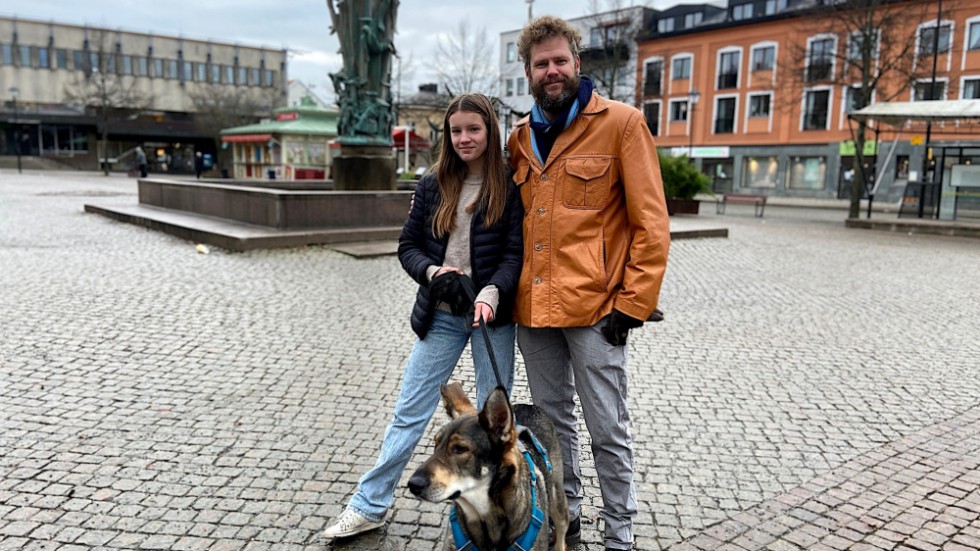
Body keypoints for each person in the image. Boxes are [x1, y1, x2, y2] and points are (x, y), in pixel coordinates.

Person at [322, 93, 524, 540]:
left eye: (473, 129)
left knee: (498, 428)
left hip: (492, 319)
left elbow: (514, 255)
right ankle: (369, 504)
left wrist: (491, 292)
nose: (464, 138)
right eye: (456, 131)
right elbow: (407, 247)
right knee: (408, 413)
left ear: (489, 131)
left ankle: (500, 516)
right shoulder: (433, 183)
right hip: (443, 315)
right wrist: (434, 273)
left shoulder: (510, 186)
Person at [506, 16, 671, 551]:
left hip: (600, 311)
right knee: (552, 427)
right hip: (535, 311)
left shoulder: (622, 124)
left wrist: (633, 304)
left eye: (559, 61)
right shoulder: (519, 137)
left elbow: (652, 223)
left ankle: (620, 534)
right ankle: (567, 516)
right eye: (540, 64)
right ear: (528, 72)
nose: (551, 71)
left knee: (608, 430)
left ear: (578, 64)